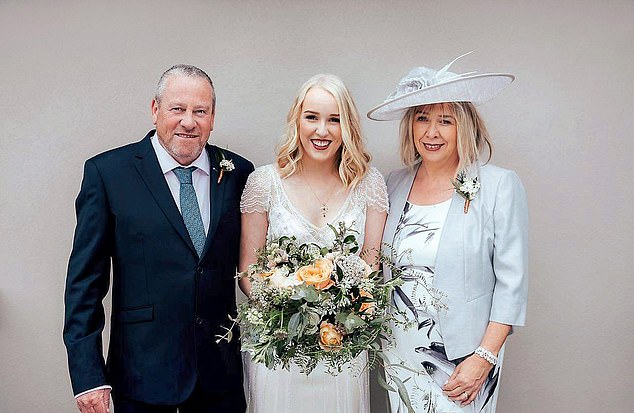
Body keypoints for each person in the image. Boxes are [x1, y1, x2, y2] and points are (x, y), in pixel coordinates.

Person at [63, 65, 252, 413]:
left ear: (213, 117)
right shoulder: (108, 174)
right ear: (155, 110)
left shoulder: (239, 173)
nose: (188, 122)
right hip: (141, 374)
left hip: (219, 376)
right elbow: (83, 284)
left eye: (200, 111)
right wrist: (88, 375)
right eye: (177, 109)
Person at [367, 54, 528, 412]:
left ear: (464, 126)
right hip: (400, 355)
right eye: (422, 118)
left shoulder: (499, 186)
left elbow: (511, 286)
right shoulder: (393, 184)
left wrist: (483, 359)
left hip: (462, 360)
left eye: (445, 121)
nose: (431, 132)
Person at [238, 74, 388, 412]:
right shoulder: (264, 183)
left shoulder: (369, 184)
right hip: (279, 346)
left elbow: (370, 264)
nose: (322, 130)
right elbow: (248, 269)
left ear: (347, 125)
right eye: (312, 117)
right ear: (297, 119)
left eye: (334, 119)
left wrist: (337, 315)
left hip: (342, 349)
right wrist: (288, 313)